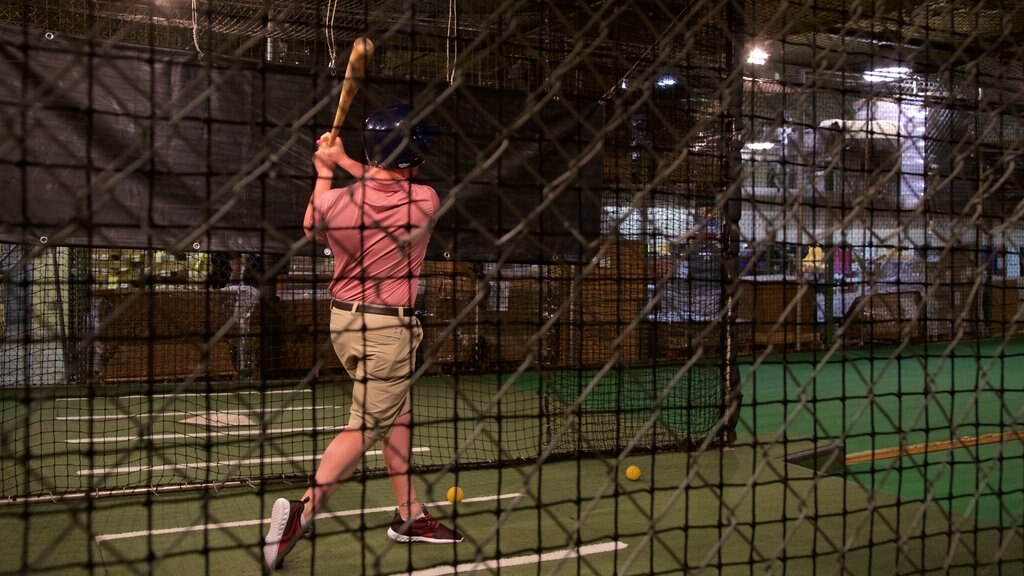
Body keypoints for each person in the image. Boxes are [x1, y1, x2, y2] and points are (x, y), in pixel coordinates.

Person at [263, 103, 462, 571]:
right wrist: (343, 160)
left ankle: (409, 514)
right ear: (408, 158)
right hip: (388, 330)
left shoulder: (333, 204)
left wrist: (325, 168)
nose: (424, 159)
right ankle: (301, 512)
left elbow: (312, 226)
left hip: (345, 325)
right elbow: (385, 181)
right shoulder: (425, 201)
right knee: (367, 427)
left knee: (398, 414)